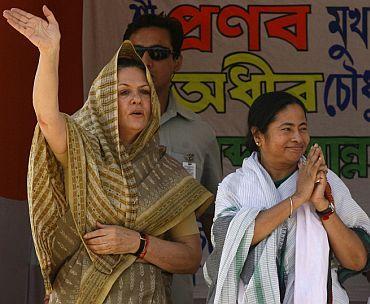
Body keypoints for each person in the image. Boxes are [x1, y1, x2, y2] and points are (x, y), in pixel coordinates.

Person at [3, 6, 213, 304]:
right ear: (104, 100)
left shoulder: (166, 171)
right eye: (124, 92)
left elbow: (191, 257)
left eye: (143, 92)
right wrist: (49, 52)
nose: (136, 99)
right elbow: (47, 118)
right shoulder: (83, 149)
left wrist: (136, 243)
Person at [204, 91, 370, 303]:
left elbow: (357, 260)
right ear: (258, 136)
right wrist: (299, 198)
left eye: (303, 128)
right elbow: (229, 241)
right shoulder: (234, 186)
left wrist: (322, 206)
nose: (298, 138)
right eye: (286, 129)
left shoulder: (326, 182)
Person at [123, 13, 222, 303]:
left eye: (157, 54)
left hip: (173, 284)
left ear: (177, 61)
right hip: (108, 283)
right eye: (135, 53)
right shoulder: (95, 130)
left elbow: (212, 216)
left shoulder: (199, 135)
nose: (145, 62)